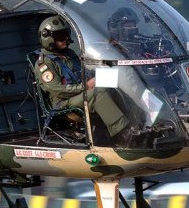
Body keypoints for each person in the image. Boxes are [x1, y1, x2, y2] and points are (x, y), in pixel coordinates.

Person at [35, 15, 132, 146]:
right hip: (63, 103)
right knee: (98, 93)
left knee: (114, 82)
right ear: (48, 38)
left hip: (80, 94)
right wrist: (86, 86)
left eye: (66, 34)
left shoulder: (69, 54)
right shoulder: (44, 63)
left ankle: (139, 124)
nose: (66, 39)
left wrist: (105, 68)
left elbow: (85, 72)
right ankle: (123, 135)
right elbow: (58, 90)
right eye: (60, 36)